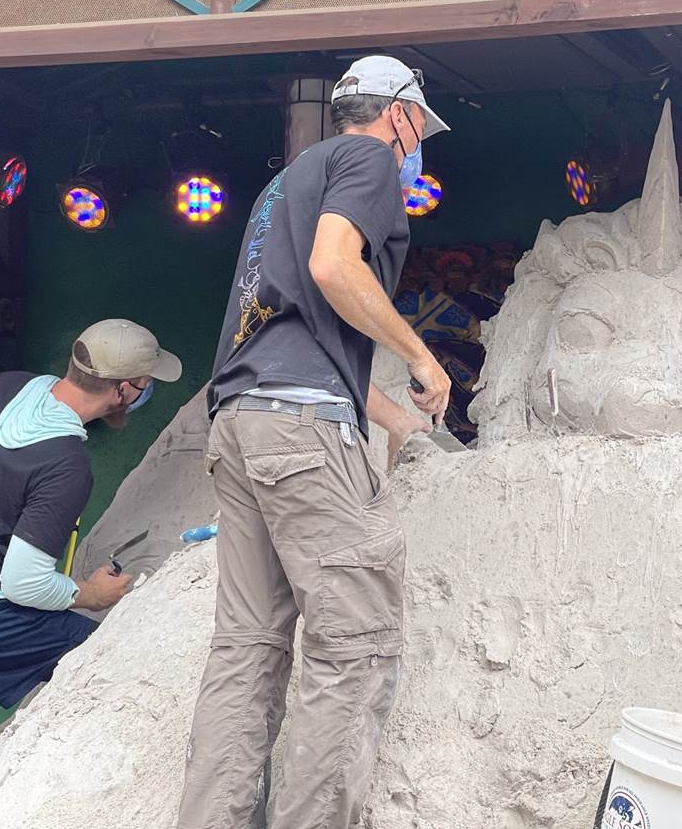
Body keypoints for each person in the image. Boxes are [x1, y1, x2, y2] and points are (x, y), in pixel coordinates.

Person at [177, 55, 453, 829]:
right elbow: (335, 268)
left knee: (248, 645)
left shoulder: (283, 189)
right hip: (300, 435)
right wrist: (422, 358)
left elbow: (299, 336)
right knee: (355, 641)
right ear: (398, 114)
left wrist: (394, 419)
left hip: (242, 425)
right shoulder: (368, 159)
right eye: (419, 131)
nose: (417, 147)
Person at [0, 319, 182, 709]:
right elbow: (22, 584)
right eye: (145, 383)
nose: (146, 389)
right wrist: (90, 594)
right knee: (106, 658)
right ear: (122, 390)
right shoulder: (66, 467)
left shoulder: (6, 385)